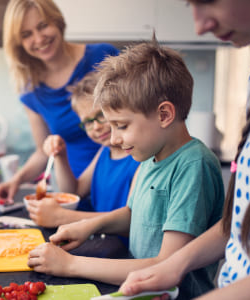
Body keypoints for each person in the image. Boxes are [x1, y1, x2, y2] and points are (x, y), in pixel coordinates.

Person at [118, 1, 250, 299]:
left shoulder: (193, 162)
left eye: (208, 0)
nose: (199, 25)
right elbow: (239, 222)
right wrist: (173, 265)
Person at [27, 39, 225, 299]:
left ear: (164, 115)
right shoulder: (151, 157)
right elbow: (134, 214)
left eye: (121, 126)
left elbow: (166, 266)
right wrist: (87, 227)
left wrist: (70, 265)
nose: (114, 138)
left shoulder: (192, 166)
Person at [0, 0, 119, 204]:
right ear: (19, 43)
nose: (39, 39)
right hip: (76, 192)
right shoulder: (31, 90)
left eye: (43, 26)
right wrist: (16, 180)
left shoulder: (103, 57)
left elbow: (134, 117)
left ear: (57, 21)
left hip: (120, 178)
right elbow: (43, 153)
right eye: (26, 34)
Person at [25, 71, 140, 228]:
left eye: (101, 115)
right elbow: (75, 192)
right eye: (88, 122)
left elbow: (131, 221)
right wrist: (61, 156)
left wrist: (62, 217)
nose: (96, 127)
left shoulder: (139, 157)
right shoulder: (104, 152)